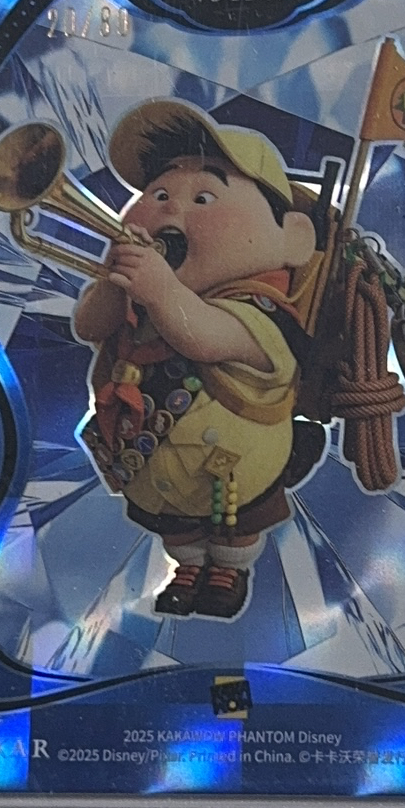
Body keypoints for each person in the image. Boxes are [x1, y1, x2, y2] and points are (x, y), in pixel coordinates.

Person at [73, 100, 317, 620]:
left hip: (232, 476)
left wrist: (160, 289)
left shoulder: (261, 311)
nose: (170, 211)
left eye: (203, 197)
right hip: (147, 465)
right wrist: (115, 283)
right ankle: (186, 567)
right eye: (158, 194)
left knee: (235, 527)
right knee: (176, 528)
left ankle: (229, 568)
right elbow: (89, 328)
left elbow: (204, 337)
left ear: (291, 239)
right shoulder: (145, 295)